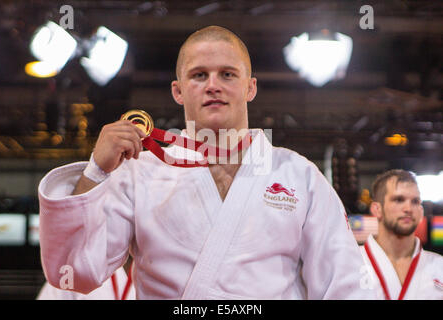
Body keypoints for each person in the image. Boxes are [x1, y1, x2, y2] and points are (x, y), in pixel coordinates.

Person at [38, 25, 375, 299]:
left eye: (227, 74)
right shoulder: (140, 171)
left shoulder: (298, 174)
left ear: (250, 87)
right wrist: (95, 171)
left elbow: (344, 288)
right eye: (199, 75)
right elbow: (74, 273)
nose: (213, 85)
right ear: (178, 90)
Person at [360, 169, 443, 300]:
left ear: (421, 212)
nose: (408, 209)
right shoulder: (351, 262)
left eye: (415, 201)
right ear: (377, 209)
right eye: (398, 200)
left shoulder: (440, 266)